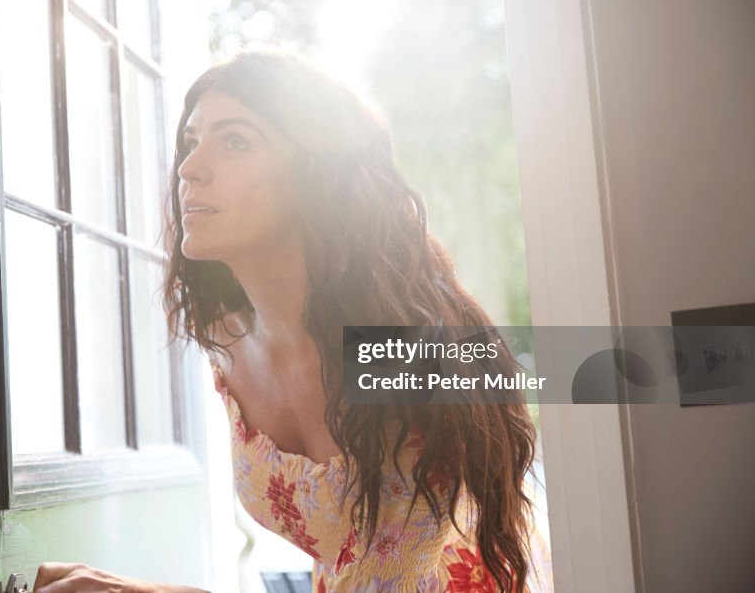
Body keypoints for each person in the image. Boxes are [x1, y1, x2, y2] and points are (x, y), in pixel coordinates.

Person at [33, 50, 553, 592]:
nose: (189, 167)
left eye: (235, 141)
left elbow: (608, 372)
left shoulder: (403, 345)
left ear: (317, 172)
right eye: (191, 142)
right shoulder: (229, 346)